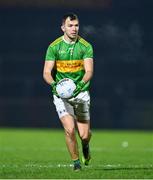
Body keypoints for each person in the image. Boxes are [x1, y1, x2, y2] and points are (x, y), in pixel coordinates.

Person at [43, 13, 94, 171]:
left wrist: (80, 85)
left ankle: (85, 146)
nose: (74, 28)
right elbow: (46, 72)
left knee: (84, 135)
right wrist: (53, 85)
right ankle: (76, 163)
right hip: (61, 95)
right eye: (70, 25)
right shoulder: (54, 47)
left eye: (76, 25)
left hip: (80, 94)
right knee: (69, 129)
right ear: (63, 27)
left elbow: (89, 71)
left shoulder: (85, 46)